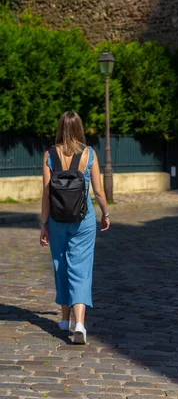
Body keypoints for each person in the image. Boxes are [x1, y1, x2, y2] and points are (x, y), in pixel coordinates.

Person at [39, 111, 110, 344]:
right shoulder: (89, 154)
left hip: (57, 220)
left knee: (61, 264)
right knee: (80, 267)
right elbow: (98, 191)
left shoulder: (49, 154)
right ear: (79, 128)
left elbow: (47, 192)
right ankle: (79, 323)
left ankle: (64, 319)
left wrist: (43, 224)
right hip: (84, 218)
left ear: (60, 128)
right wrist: (105, 213)